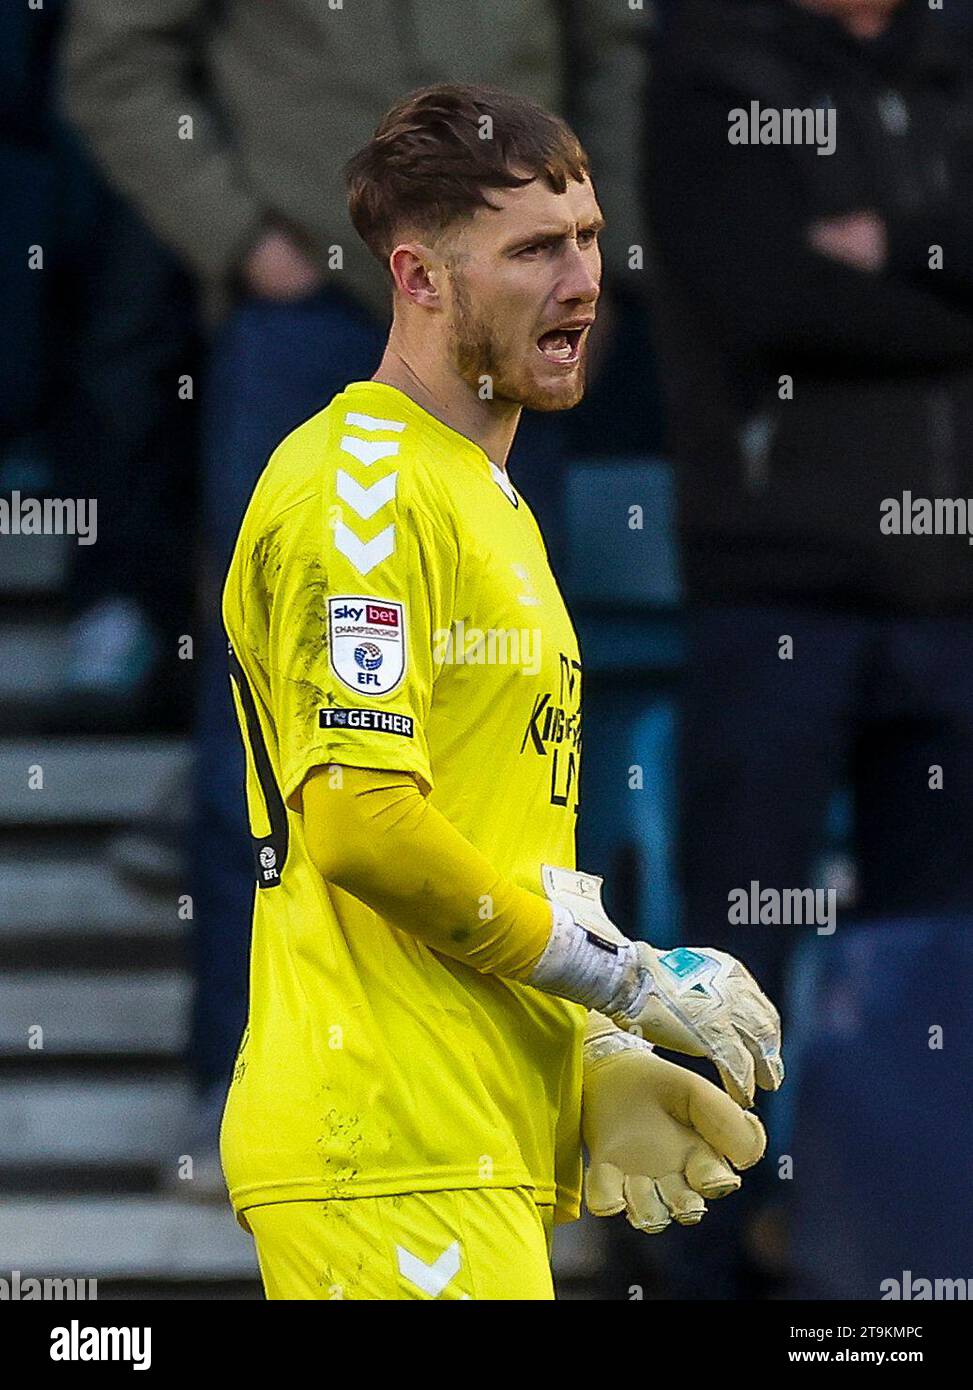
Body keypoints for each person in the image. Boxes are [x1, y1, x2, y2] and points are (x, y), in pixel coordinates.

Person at [60, 3, 655, 1178]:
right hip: (306, 302)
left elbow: (620, 48)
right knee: (288, 726)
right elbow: (112, 57)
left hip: (499, 299)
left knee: (511, 718)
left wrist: (581, 251)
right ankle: (240, 1075)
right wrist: (236, 235)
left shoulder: (557, 271)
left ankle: (528, 1077)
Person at [219, 83, 782, 1300]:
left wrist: (583, 1054)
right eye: (533, 249)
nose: (580, 279)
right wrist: (623, 978)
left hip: (464, 1144)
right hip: (388, 1147)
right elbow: (364, 826)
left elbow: (492, 851)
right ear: (418, 278)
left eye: (585, 238)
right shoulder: (356, 492)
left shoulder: (490, 498)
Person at [646, 0, 973, 1297]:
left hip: (951, 594)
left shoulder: (956, 57)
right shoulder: (710, 68)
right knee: (732, 947)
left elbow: (832, 287)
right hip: (773, 584)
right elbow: (762, 290)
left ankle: (902, 1247)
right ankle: (697, 1248)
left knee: (928, 961)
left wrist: (885, 247)